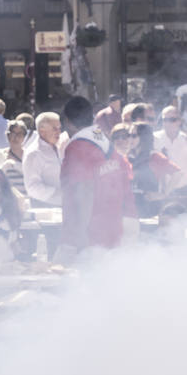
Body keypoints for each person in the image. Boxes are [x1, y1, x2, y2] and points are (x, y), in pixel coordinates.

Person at [60, 95, 136, 255]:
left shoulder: (77, 148)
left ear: (67, 121)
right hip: (114, 235)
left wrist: (79, 239)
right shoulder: (107, 144)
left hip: (90, 239)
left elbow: (84, 190)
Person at [127, 121, 180, 216]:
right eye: (129, 135)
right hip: (130, 210)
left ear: (144, 137)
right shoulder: (128, 157)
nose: (130, 138)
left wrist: (163, 194)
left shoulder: (154, 157)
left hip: (149, 210)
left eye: (134, 136)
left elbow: (178, 173)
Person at [23, 111, 65, 207]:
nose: (59, 132)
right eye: (54, 129)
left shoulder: (57, 146)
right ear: (42, 131)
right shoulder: (34, 153)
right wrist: (57, 194)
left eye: (59, 128)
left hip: (61, 204)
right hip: (44, 207)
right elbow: (32, 187)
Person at [0, 120, 29, 197]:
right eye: (13, 134)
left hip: (26, 197)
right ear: (7, 135)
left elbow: (32, 176)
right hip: (4, 197)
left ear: (24, 137)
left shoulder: (29, 155)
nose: (16, 137)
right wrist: (6, 165)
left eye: (19, 134)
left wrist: (15, 165)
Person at [154, 105, 187, 186]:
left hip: (183, 191)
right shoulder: (154, 138)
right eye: (165, 120)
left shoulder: (185, 139)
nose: (168, 123)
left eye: (172, 120)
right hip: (161, 191)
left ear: (180, 121)